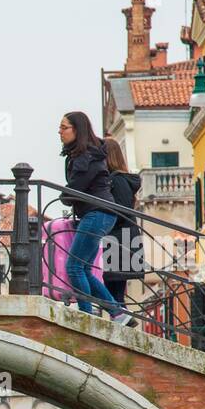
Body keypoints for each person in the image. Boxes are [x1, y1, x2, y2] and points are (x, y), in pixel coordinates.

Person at [59, 112, 132, 323]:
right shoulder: (85, 154)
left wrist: (65, 195)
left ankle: (87, 317)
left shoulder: (85, 157)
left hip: (96, 213)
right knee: (83, 268)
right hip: (99, 213)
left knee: (74, 267)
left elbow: (74, 190)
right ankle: (117, 313)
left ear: (77, 130)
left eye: (64, 128)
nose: (60, 132)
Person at [100, 137, 145, 309]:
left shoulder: (117, 180)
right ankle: (121, 319)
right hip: (120, 239)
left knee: (115, 293)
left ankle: (122, 319)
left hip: (120, 240)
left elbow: (122, 211)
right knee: (114, 291)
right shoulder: (116, 179)